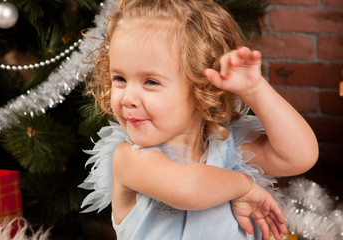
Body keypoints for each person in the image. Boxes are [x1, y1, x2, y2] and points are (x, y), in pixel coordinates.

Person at [79, 0, 318, 239]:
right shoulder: (130, 157)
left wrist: (255, 90)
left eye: (150, 82)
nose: (127, 98)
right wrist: (243, 185)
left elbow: (299, 156)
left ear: (201, 89)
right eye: (119, 78)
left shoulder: (228, 147)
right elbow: (187, 188)